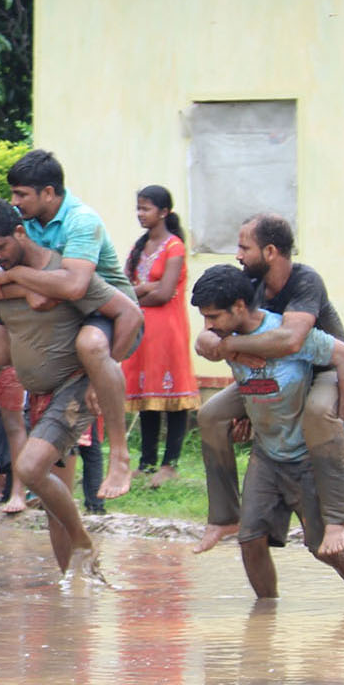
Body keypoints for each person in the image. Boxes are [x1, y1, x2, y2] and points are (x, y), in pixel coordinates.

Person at [0, 198, 142, 575]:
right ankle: (72, 585)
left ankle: (84, 541)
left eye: (0, 247)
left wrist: (102, 374)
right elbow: (18, 332)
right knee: (49, 493)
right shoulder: (0, 274)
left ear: (20, 232)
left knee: (30, 469)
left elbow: (130, 314)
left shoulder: (63, 273)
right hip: (38, 390)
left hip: (72, 389)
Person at [190, 265, 344, 600]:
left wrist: (342, 415)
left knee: (324, 549)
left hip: (305, 458)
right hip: (267, 455)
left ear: (239, 306)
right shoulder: (224, 340)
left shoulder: (289, 337)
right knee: (250, 541)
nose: (208, 326)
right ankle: (265, 612)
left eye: (213, 316)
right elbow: (204, 345)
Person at [192, 213, 344, 555]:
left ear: (270, 251)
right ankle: (224, 516)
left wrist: (232, 346)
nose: (237, 255)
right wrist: (236, 359)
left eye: (244, 247)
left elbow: (290, 341)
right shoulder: (248, 287)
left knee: (317, 413)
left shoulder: (305, 281)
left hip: (324, 370)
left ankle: (338, 519)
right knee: (210, 414)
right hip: (273, 377)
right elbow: (205, 340)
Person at [122, 185, 200, 488]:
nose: (140, 214)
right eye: (138, 208)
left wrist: (139, 292)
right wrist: (145, 288)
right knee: (147, 395)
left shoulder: (174, 247)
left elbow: (165, 293)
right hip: (141, 329)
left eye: (146, 208)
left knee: (173, 395)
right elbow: (125, 289)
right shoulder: (139, 247)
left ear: (164, 212)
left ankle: (171, 464)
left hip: (167, 329)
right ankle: (147, 462)